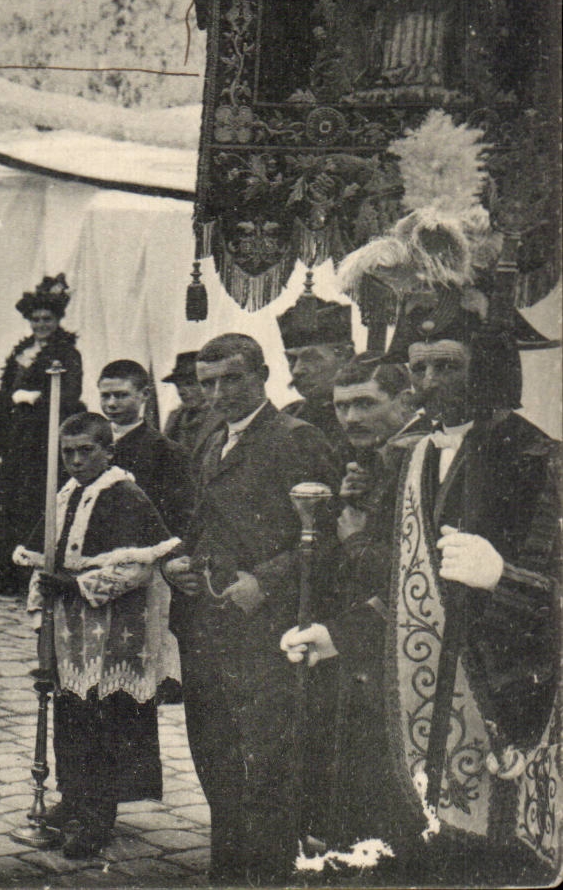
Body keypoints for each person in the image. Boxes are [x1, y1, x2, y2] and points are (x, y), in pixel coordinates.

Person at [283, 295, 559, 884]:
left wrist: (503, 576)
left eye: (447, 366)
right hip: (417, 704)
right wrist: (339, 636)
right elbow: (403, 589)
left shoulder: (539, 457)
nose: (431, 382)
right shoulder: (415, 459)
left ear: (486, 366)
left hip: (503, 701)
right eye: (420, 368)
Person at [161, 333, 339, 884]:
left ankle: (264, 874)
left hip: (268, 629)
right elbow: (197, 520)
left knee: (265, 761)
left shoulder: (297, 438)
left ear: (262, 375)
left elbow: (331, 536)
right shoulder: (211, 438)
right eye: (208, 382)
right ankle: (228, 869)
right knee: (213, 753)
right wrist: (180, 563)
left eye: (232, 379)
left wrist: (264, 581)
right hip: (207, 624)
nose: (218, 393)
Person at [276, 354, 425, 860]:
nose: (350, 418)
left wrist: (356, 535)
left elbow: (408, 565)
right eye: (342, 406)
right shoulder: (372, 456)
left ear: (405, 399)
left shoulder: (417, 455)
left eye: (365, 403)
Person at [16, 414, 180, 858]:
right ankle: (73, 799)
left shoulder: (126, 496)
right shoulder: (67, 494)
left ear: (109, 451)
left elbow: (138, 566)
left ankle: (97, 816)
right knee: (70, 715)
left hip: (114, 630)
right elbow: (44, 560)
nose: (75, 460)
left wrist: (75, 585)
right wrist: (41, 611)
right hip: (71, 630)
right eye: (67, 452)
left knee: (105, 720)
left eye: (85, 450)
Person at [0, 275, 85, 595]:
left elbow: (70, 396)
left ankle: (31, 575)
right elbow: (4, 397)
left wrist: (34, 399)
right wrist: (0, 434)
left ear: (58, 321)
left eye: (47, 319)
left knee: (36, 501)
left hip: (43, 441)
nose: (41, 324)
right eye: (36, 319)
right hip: (18, 440)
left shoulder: (67, 354)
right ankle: (6, 570)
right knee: (11, 502)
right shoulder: (22, 352)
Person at [96, 360, 196, 538]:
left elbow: (179, 519)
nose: (111, 403)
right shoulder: (90, 445)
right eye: (105, 396)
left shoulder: (167, 452)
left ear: (145, 394)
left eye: (121, 395)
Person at [276, 293, 356, 449]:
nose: (297, 370)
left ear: (345, 356)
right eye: (292, 360)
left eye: (311, 358)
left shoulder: (364, 417)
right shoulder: (287, 416)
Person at [159, 351, 212, 452]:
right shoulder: (175, 417)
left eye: (189, 384)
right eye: (178, 385)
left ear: (207, 383)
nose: (181, 391)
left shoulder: (223, 416)